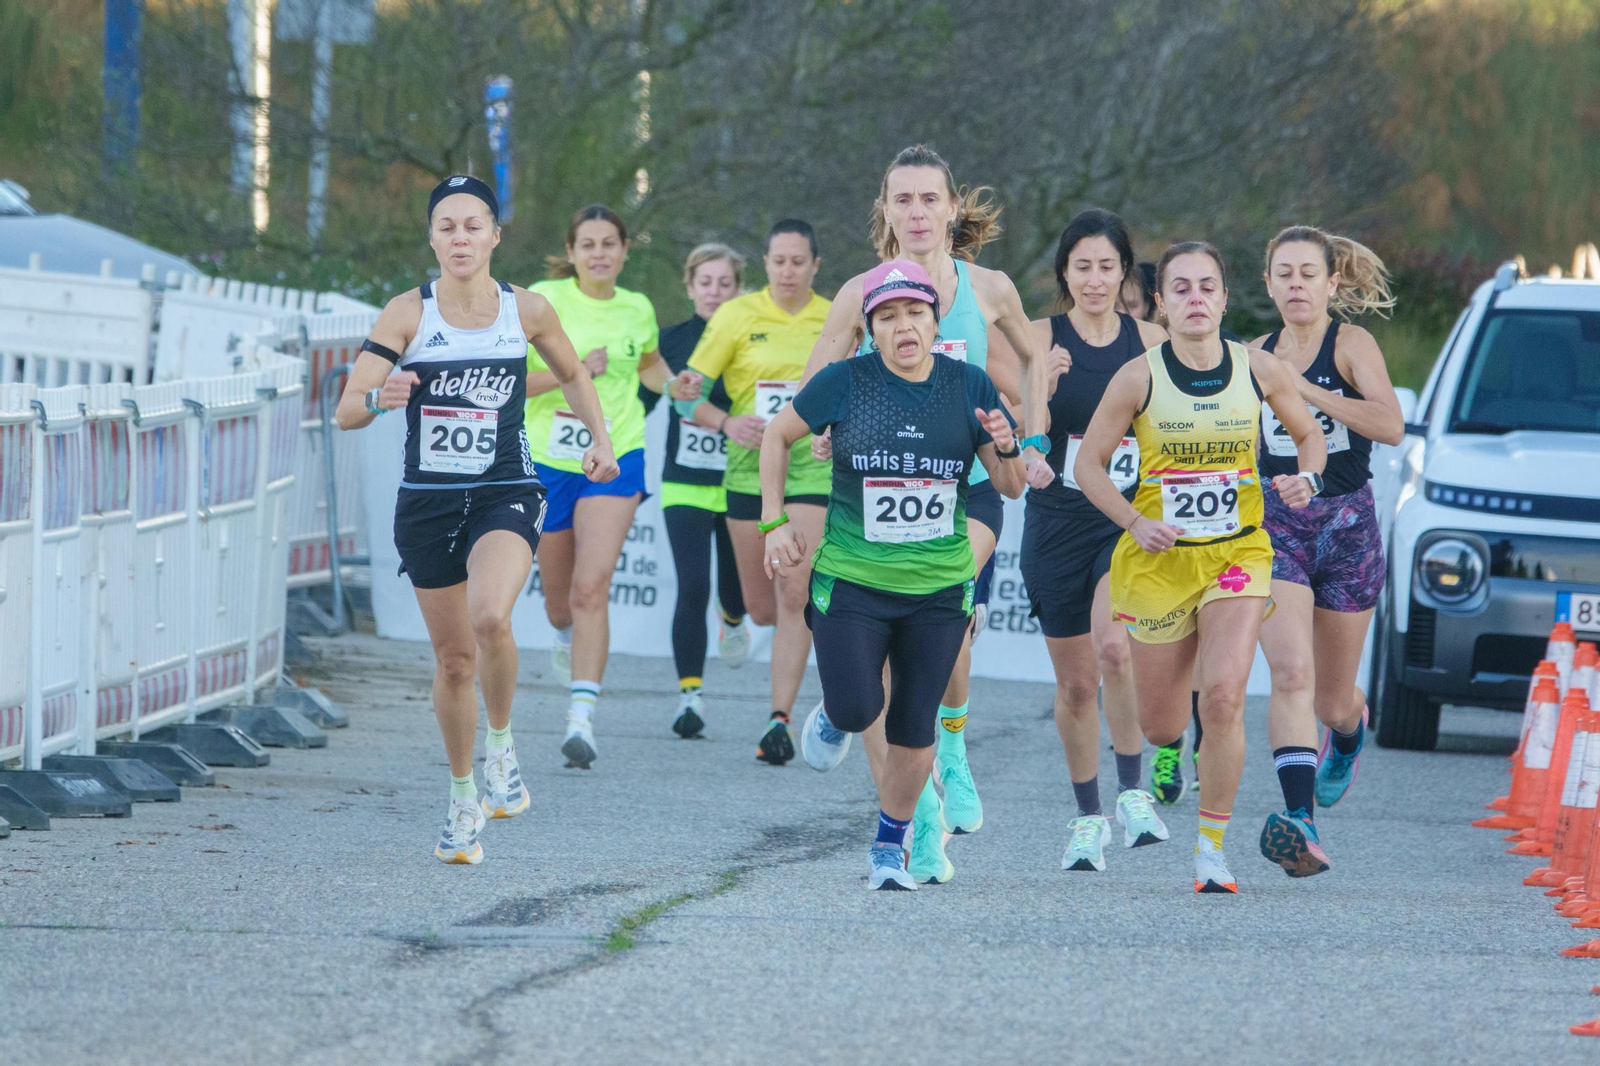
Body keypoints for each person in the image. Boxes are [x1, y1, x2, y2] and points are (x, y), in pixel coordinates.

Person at [336, 175, 618, 864]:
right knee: (455, 660)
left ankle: (501, 745)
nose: (460, 238)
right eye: (447, 227)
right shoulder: (407, 314)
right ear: (431, 238)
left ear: (495, 235)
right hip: (428, 502)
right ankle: (463, 797)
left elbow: (574, 373)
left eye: (473, 225)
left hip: (504, 490)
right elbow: (347, 408)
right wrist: (383, 397)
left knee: (492, 616)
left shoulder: (527, 310)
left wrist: (600, 441)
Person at [796, 143, 1051, 885]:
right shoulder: (862, 290)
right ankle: (919, 811)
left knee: (946, 607)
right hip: (873, 496)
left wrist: (1028, 436)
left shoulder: (989, 287)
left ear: (950, 207)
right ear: (886, 210)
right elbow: (819, 371)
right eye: (900, 200)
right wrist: (821, 423)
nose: (914, 212)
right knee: (878, 664)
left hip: (965, 481)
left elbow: (1033, 359)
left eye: (927, 199)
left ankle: (955, 751)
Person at [1074, 241, 1326, 894]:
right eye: (1179, 288)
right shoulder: (1138, 377)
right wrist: (1134, 522)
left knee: (1223, 693)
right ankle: (1170, 746)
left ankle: (1211, 851)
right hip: (1160, 562)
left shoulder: (1259, 369)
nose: (1194, 298)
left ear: (1223, 295)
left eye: (1206, 286)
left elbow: (1309, 435)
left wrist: (1308, 478)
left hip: (1238, 553)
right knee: (1162, 722)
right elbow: (1088, 467)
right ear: (1160, 302)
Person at [765, 260, 1025, 889]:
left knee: (913, 726)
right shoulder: (845, 382)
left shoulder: (968, 386)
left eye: (915, 313)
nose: (903, 326)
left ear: (937, 323)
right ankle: (833, 712)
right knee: (859, 708)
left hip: (938, 589)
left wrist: (1007, 441)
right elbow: (777, 436)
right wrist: (774, 521)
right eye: (887, 316)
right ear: (869, 328)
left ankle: (890, 844)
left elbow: (1010, 489)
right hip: (852, 581)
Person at [1008, 210, 1172, 872]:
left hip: (1127, 523)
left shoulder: (1152, 340)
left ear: (1125, 272)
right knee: (1077, 686)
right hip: (1056, 524)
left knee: (1115, 648)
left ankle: (1134, 792)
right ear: (1064, 274)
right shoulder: (1041, 338)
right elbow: (1026, 442)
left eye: (1108, 267)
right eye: (1083, 267)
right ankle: (1087, 817)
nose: (1096, 280)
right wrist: (1038, 394)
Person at [1251, 225, 1402, 877]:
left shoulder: (1351, 345)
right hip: (1276, 521)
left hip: (1347, 526)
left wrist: (1302, 391)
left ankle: (1348, 731)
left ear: (1331, 283)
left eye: (1308, 274)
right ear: (1268, 284)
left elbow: (1390, 425)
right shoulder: (1254, 354)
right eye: (1283, 274)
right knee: (1290, 675)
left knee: (1331, 699)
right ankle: (1300, 821)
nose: (1296, 285)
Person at [670, 220, 831, 764]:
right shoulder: (738, 315)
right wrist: (726, 423)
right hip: (749, 475)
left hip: (813, 474)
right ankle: (734, 616)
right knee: (763, 608)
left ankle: (778, 721)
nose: (788, 271)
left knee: (794, 592)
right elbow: (686, 400)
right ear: (766, 264)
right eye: (778, 261)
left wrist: (834, 428)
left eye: (798, 262)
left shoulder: (836, 316)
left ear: (815, 265)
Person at [526, 205, 669, 770]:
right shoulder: (543, 299)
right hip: (547, 459)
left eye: (610, 243)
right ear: (571, 251)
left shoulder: (638, 308)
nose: (600, 254)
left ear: (625, 249)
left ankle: (581, 717)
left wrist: (676, 383)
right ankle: (564, 635)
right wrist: (572, 369)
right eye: (588, 245)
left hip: (616, 455)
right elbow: (513, 378)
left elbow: (651, 367)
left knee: (593, 586)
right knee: (561, 602)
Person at [641, 244, 751, 739]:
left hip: (737, 482)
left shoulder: (749, 339)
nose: (714, 291)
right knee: (692, 585)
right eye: (705, 282)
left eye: (724, 283)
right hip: (683, 482)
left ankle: (734, 616)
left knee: (736, 589)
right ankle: (691, 697)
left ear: (738, 289)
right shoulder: (669, 342)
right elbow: (639, 402)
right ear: (689, 286)